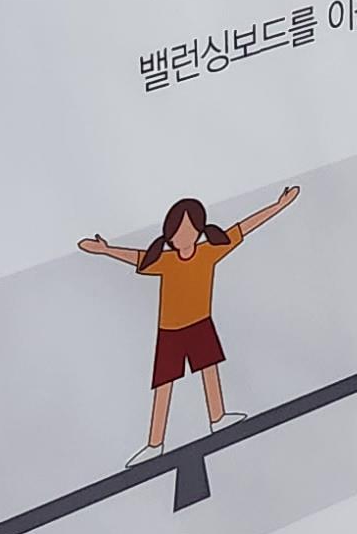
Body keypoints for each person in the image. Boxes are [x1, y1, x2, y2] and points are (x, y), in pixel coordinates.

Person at [76, 183, 300, 460]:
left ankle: (218, 417)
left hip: (200, 323)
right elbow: (137, 258)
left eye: (188, 229)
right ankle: (155, 443)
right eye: (176, 232)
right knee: (164, 384)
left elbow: (243, 228)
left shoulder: (208, 252)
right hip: (170, 331)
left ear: (198, 230)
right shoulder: (165, 261)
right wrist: (106, 250)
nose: (182, 236)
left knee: (209, 369)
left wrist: (278, 206)